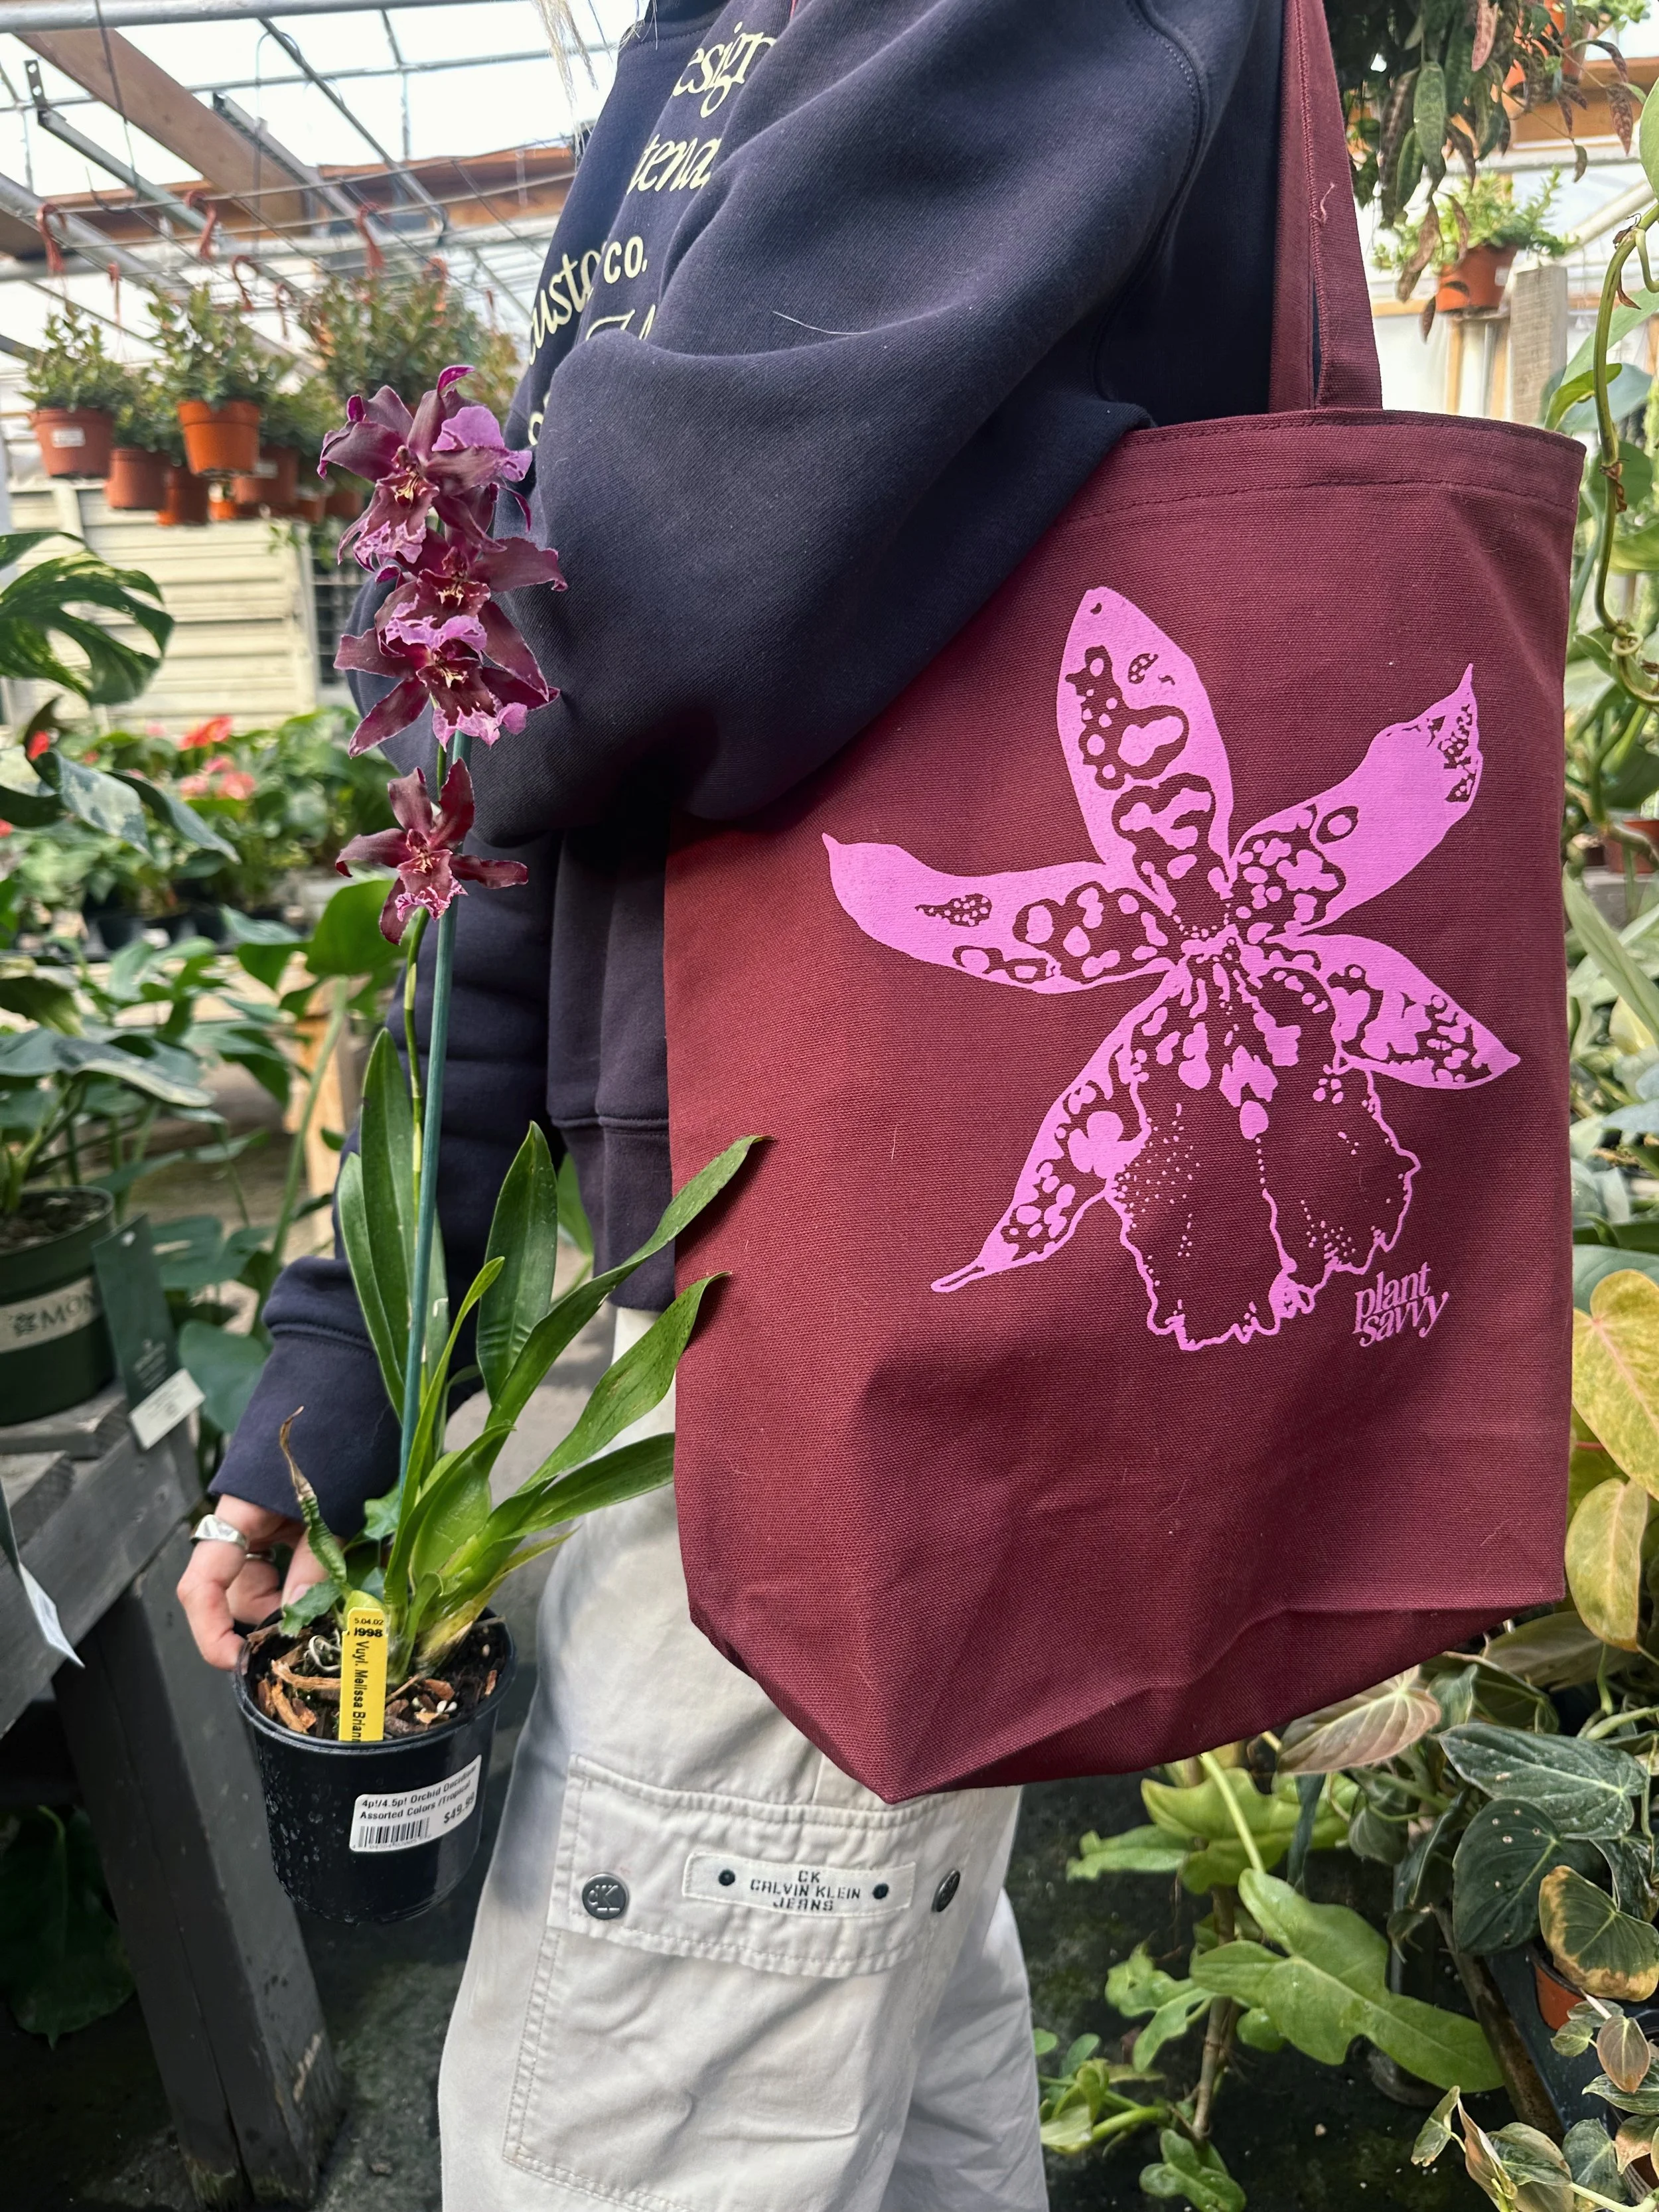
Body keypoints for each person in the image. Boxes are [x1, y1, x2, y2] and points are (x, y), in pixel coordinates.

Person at [180, 3, 1287, 2204]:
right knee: (884, 2085)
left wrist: (474, 615)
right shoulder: (718, 39)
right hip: (680, 1306)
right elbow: (537, 786)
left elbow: (633, 599)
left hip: (803, 1328)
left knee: (630, 2132)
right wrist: (337, 1370)